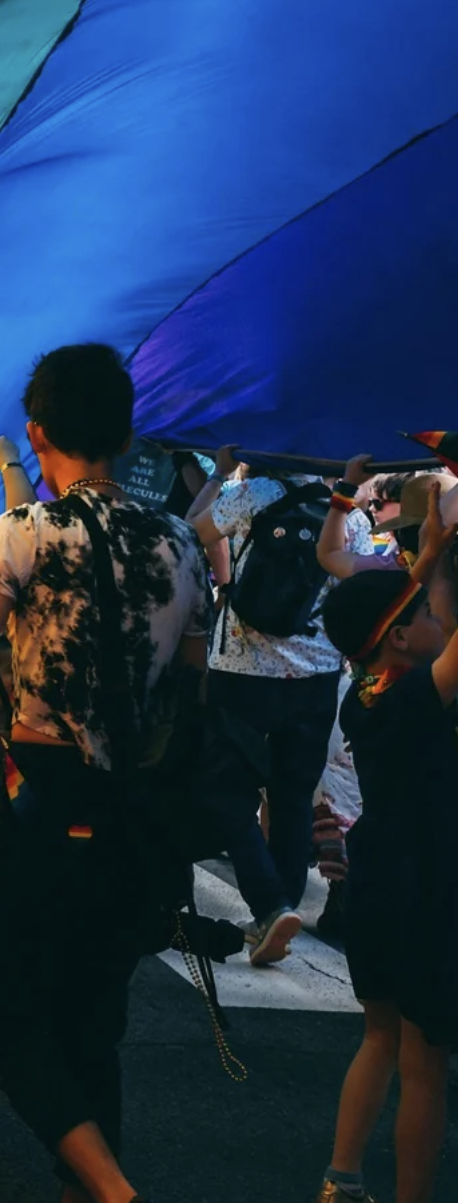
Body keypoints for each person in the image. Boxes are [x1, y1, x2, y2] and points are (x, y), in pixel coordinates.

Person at [0, 343, 209, 1203]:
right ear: (123, 434)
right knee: (94, 1027)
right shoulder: (182, 544)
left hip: (44, 805)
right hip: (139, 811)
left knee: (10, 1025)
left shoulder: (20, 538)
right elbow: (190, 686)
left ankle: (115, 1193)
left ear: (36, 433)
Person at [312, 497, 455, 1203]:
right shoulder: (419, 699)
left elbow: (398, 611)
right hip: (425, 885)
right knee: (426, 1062)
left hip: (376, 881)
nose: (439, 619)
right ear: (400, 639)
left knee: (379, 1039)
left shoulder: (365, 692)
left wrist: (428, 552)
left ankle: (342, 1176)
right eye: (429, 616)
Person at [187, 446, 374, 965]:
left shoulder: (252, 493)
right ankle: (282, 907)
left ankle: (270, 906)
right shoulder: (349, 513)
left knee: (227, 793)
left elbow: (192, 532)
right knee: (291, 800)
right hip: (315, 675)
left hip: (242, 672)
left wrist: (220, 475)